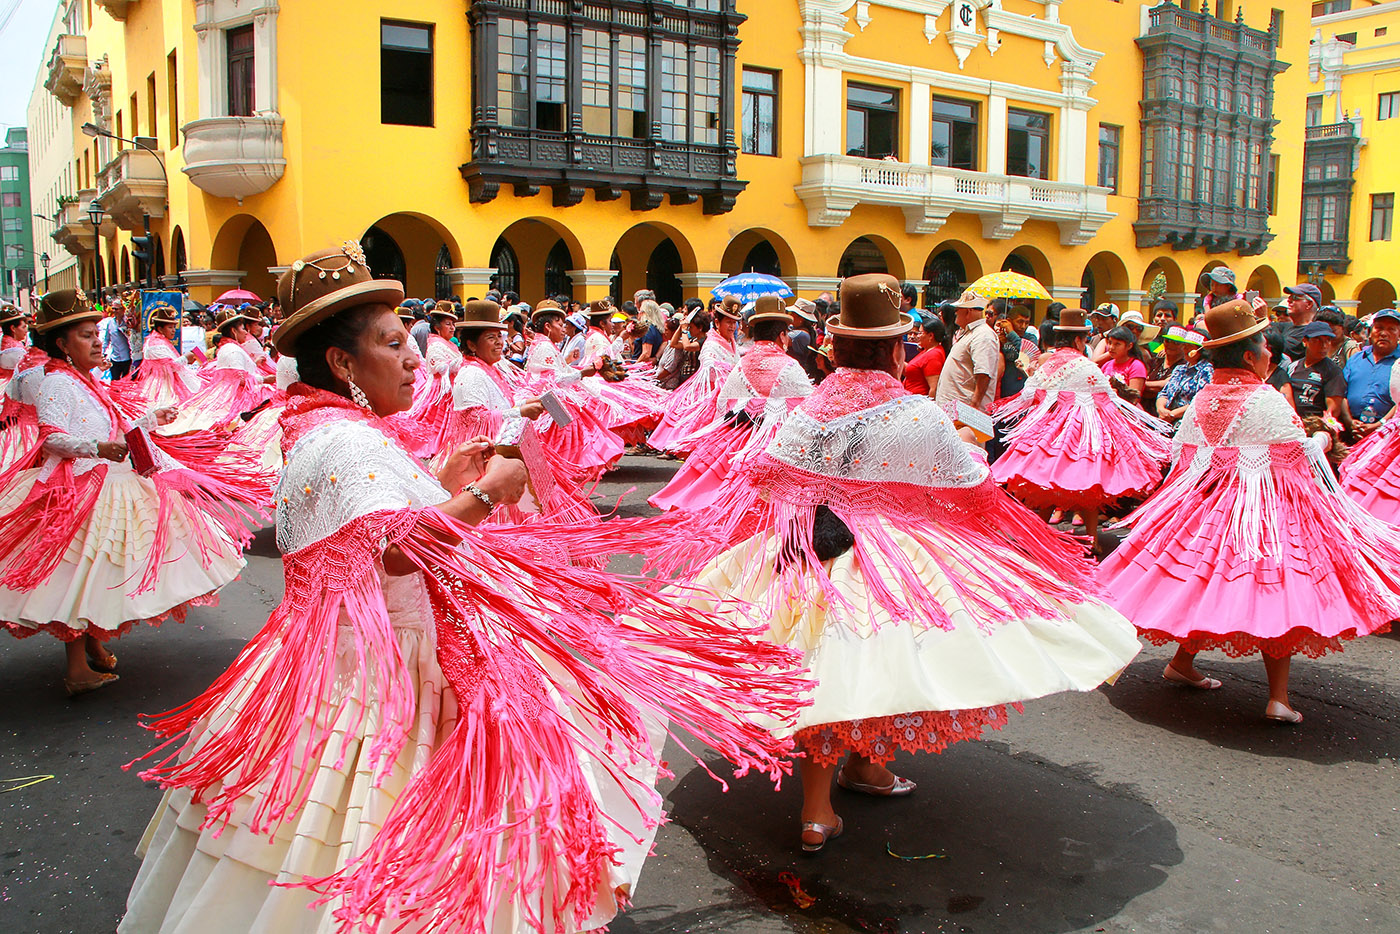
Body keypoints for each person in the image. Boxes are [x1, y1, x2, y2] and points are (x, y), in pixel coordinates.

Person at [120, 242, 807, 934]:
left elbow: (372, 533)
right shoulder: (346, 441)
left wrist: (446, 487)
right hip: (383, 673)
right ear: (341, 363)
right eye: (393, 343)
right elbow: (396, 550)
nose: (416, 356)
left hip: (346, 659)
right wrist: (483, 492)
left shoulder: (325, 429)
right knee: (380, 843)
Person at [669, 274, 1140, 852]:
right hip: (890, 553)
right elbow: (975, 491)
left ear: (834, 347)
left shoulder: (810, 408)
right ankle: (841, 788)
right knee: (867, 661)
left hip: (808, 547)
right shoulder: (918, 416)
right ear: (896, 349)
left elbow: (769, 479)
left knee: (825, 666)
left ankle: (836, 795)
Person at [1098, 298, 1400, 723]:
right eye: (1262, 344)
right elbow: (1298, 454)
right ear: (1248, 355)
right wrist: (1325, 440)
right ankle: (1276, 697)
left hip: (1206, 512)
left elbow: (1184, 459)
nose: (1269, 352)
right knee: (1273, 594)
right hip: (1261, 516)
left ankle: (1183, 663)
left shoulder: (1203, 399)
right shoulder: (1265, 399)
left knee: (1206, 586)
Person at [0, 290, 253, 695]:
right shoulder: (53, 381)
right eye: (85, 335)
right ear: (62, 343)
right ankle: (77, 667)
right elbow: (52, 438)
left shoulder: (79, 379)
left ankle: (93, 646)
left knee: (96, 575)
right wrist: (96, 449)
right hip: (78, 488)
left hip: (102, 479)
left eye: (94, 333)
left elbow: (109, 425)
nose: (97, 342)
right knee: (79, 576)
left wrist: (149, 421)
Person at [992, 309, 1170, 549]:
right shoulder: (1086, 366)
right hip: (1082, 434)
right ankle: (1093, 540)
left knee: (1043, 482)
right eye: (1085, 338)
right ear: (1079, 339)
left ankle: (1036, 538)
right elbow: (1108, 400)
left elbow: (1027, 395)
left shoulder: (1048, 362)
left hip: (1048, 432)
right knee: (1089, 486)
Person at [650, 295, 812, 512]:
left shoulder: (744, 361)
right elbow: (807, 411)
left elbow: (724, 403)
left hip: (740, 432)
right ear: (782, 335)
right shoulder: (790, 366)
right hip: (773, 443)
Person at [649, 298, 741, 453]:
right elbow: (710, 369)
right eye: (728, 322)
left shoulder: (730, 341)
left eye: (734, 323)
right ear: (717, 323)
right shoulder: (711, 343)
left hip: (728, 396)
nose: (732, 326)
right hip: (712, 396)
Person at [1282, 320, 1353, 469]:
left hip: (1315, 436)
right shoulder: (1293, 367)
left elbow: (1333, 411)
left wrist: (1317, 432)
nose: (1324, 345)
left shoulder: (1332, 372)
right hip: (1291, 431)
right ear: (1305, 341)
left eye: (1327, 340)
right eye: (1318, 340)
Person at [936, 290, 1001, 422]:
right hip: (955, 410)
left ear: (968, 311)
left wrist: (974, 406)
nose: (955, 312)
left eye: (958, 309)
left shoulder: (983, 335)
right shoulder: (972, 333)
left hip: (965, 412)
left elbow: (983, 373)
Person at [1342, 307, 1400, 429]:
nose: (1384, 333)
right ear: (1369, 332)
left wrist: (1379, 425)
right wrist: (1349, 421)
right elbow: (1341, 393)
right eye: (1379, 328)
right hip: (1351, 429)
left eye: (1391, 329)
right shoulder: (1355, 359)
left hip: (1388, 435)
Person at [1155, 327, 1213, 426]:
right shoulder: (1180, 369)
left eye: (1189, 346)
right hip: (1166, 420)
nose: (1185, 349)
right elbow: (1164, 393)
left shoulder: (1206, 371)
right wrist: (1161, 409)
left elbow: (1200, 401)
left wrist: (1172, 415)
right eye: (1184, 345)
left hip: (1186, 423)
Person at [1099, 325, 1149, 408]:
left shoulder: (1136, 366)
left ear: (1129, 346)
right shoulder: (1106, 365)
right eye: (1110, 343)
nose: (1111, 347)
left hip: (1126, 412)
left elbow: (1133, 398)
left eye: (1117, 344)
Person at [902, 315, 947, 396]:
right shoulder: (926, 350)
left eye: (920, 333)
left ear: (930, 336)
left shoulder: (934, 355)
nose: (918, 336)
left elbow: (934, 388)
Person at [99, 301, 132, 380]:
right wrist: (102, 353)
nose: (114, 311)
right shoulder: (110, 322)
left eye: (116, 309)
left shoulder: (128, 322)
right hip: (115, 358)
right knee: (114, 382)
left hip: (127, 358)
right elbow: (107, 339)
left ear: (122, 310)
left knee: (126, 383)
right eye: (113, 308)